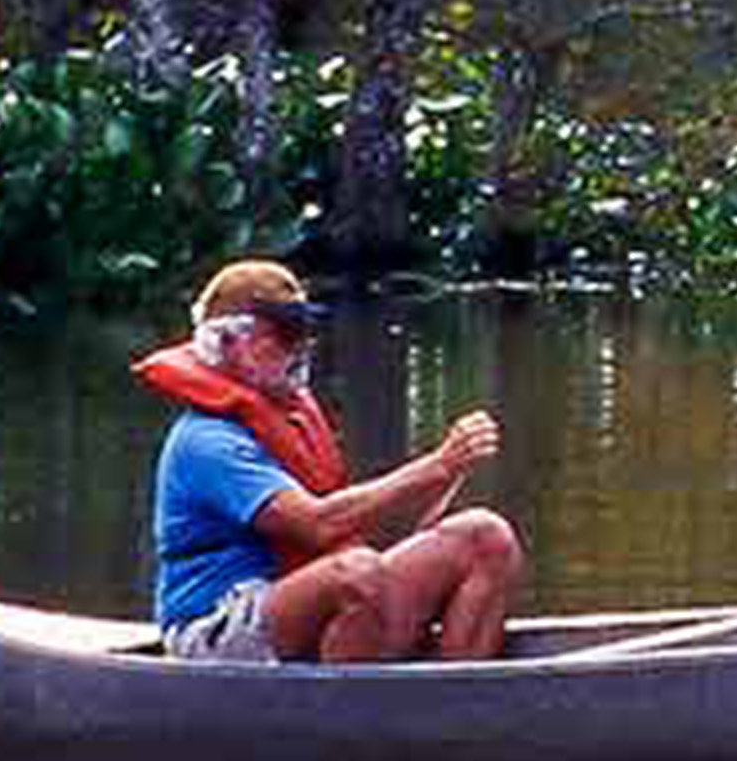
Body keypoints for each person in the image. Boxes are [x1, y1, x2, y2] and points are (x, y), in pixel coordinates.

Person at [138, 258, 526, 664]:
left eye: (303, 332)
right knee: (355, 575)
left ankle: (456, 707)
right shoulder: (206, 442)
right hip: (215, 629)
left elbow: (386, 531)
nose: (300, 347)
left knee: (484, 536)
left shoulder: (290, 418)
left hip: (307, 598)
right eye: (283, 335)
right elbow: (318, 525)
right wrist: (437, 464)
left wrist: (449, 474)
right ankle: (351, 721)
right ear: (229, 344)